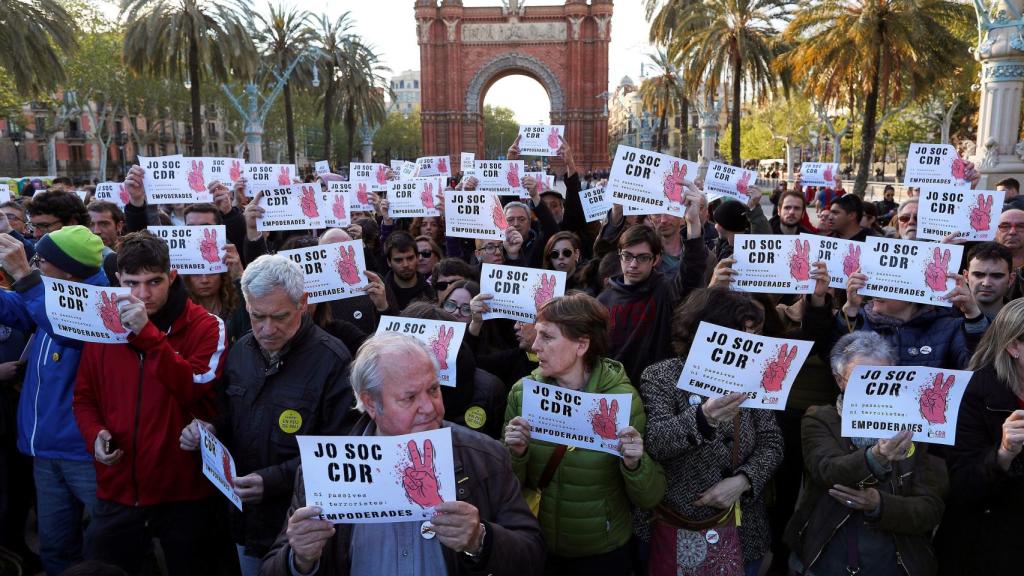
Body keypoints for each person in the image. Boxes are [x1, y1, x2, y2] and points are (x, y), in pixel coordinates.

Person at [262, 332, 546, 576]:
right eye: (409, 398)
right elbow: (272, 566)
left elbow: (533, 555)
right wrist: (299, 559)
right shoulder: (325, 469)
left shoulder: (484, 457)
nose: (429, 407)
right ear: (370, 403)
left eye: (433, 390)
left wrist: (481, 540)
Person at [180, 254, 357, 575]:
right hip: (243, 517)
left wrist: (273, 481)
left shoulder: (333, 361)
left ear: (303, 304)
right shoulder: (240, 353)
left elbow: (340, 450)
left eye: (280, 317)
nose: (267, 328)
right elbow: (227, 414)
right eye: (256, 316)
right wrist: (208, 429)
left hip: (299, 525)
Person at [73, 231, 227, 575]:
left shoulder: (206, 326)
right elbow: (84, 397)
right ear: (117, 280)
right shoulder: (101, 326)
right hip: (118, 489)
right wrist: (94, 433)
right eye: (132, 283)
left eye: (154, 281)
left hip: (183, 493)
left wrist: (148, 337)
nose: (143, 294)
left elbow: (193, 388)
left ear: (172, 277)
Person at [503, 293, 665, 575]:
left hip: (602, 552)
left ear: (582, 344)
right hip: (539, 545)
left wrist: (636, 465)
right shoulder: (522, 393)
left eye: (548, 337)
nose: (535, 345)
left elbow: (649, 499)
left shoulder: (622, 401)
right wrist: (515, 454)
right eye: (537, 335)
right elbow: (507, 488)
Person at [636, 288, 783, 576]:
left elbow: (772, 442)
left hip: (740, 528)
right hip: (674, 525)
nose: (748, 342)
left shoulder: (753, 378)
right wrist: (704, 418)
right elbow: (655, 442)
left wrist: (744, 480)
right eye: (739, 332)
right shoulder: (661, 376)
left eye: (751, 332)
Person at [785, 332, 948, 576]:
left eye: (882, 376)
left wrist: (880, 504)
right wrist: (877, 457)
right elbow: (827, 470)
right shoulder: (820, 418)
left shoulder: (917, 425)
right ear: (840, 380)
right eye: (861, 379)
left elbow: (930, 509)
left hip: (893, 561)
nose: (873, 386)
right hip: (828, 557)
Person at [0, 226, 106, 575]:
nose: (35, 264)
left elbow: (65, 327)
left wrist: (22, 275)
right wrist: (23, 281)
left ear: (68, 270)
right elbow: (15, 307)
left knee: (105, 546)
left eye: (41, 260)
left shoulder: (96, 303)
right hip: (46, 449)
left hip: (83, 452)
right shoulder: (47, 292)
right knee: (55, 545)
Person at [936, 299, 1024, 574]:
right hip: (989, 546)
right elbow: (962, 487)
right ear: (1014, 347)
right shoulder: (972, 394)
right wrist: (1004, 454)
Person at [598, 184, 708, 385]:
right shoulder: (602, 301)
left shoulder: (665, 290)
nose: (633, 264)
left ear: (656, 260)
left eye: (642, 258)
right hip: (613, 389)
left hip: (655, 388)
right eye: (627, 256)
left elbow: (691, 272)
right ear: (619, 256)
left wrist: (693, 223)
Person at [383, 231, 435, 313]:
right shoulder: (382, 295)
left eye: (410, 258)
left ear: (417, 257)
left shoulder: (431, 293)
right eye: (398, 260)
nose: (406, 265)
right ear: (389, 262)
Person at [963, 242, 1012, 319]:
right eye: (978, 275)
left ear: (1011, 279)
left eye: (997, 276)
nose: (986, 283)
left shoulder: (1020, 321)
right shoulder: (944, 315)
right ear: (966, 276)